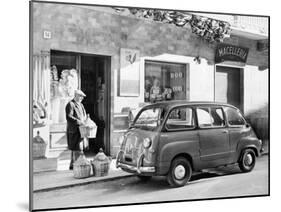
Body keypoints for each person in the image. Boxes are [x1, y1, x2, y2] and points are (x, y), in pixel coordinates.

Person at [65, 89, 87, 170]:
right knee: (77, 148)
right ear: (76, 95)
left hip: (81, 130)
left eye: (82, 97)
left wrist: (86, 121)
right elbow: (69, 117)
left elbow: (84, 115)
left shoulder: (81, 105)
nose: (82, 98)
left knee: (77, 148)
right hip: (74, 130)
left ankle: (72, 166)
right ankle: (77, 166)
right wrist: (79, 121)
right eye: (80, 96)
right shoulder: (70, 104)